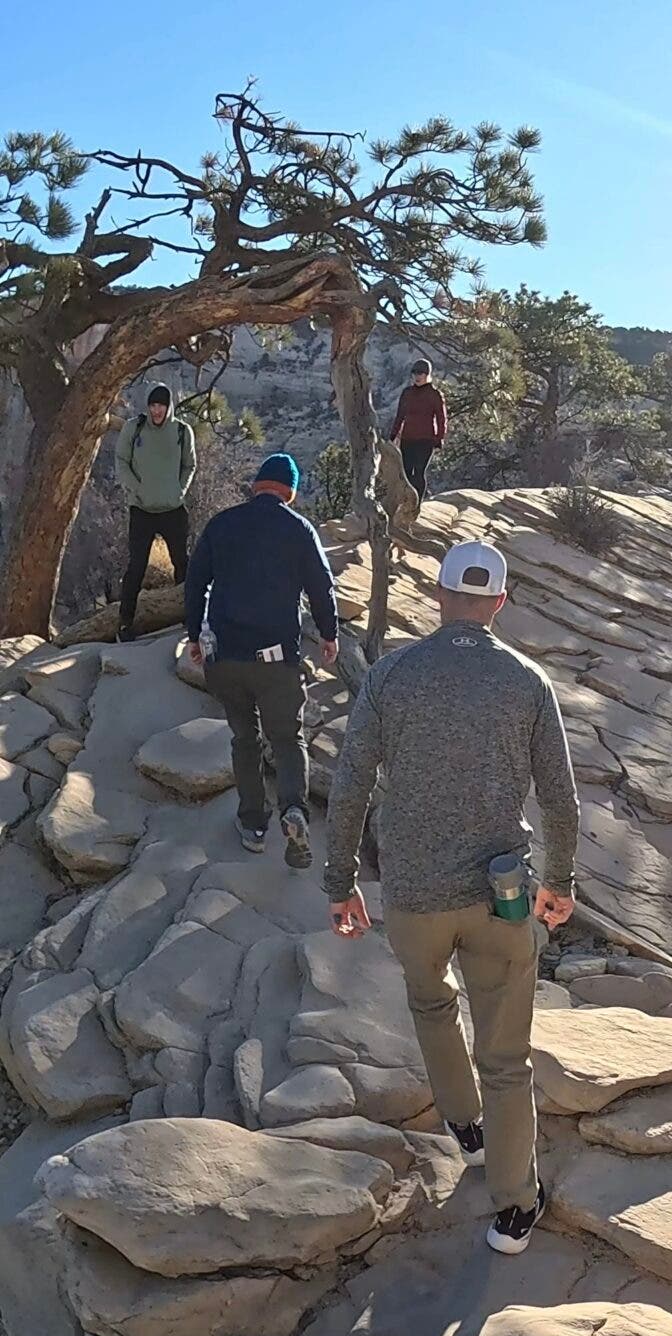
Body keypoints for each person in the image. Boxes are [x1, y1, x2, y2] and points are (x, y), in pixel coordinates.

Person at [323, 539, 578, 1255]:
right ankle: (514, 1209)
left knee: (430, 1001)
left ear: (438, 597)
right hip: (500, 896)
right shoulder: (527, 681)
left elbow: (349, 788)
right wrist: (559, 884)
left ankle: (463, 1125)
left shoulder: (390, 676)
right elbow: (560, 800)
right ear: (499, 603)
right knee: (508, 1058)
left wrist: (340, 884)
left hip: (413, 893)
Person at [183, 454, 339, 865]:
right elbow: (322, 588)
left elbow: (195, 583)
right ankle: (293, 811)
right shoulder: (299, 529)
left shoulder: (221, 525)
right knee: (288, 740)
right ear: (290, 491)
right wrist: (329, 633)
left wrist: (194, 635)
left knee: (244, 739)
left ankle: (253, 825)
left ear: (256, 486)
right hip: (277, 661)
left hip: (225, 658)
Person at [115, 383, 198, 642]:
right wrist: (134, 488)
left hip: (173, 509)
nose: (156, 410)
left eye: (161, 405)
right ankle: (125, 623)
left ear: (169, 407)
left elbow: (190, 465)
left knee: (182, 564)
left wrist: (180, 490)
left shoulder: (182, 432)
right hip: (142, 510)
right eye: (152, 405)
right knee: (136, 567)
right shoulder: (134, 428)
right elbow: (121, 460)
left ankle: (189, 616)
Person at [387, 359, 449, 500]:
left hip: (426, 440)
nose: (417, 376)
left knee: (419, 472)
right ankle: (407, 502)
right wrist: (393, 435)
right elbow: (400, 416)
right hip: (407, 439)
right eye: (414, 373)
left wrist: (439, 438)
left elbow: (441, 418)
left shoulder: (434, 394)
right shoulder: (407, 393)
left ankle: (417, 504)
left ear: (427, 374)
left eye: (420, 373)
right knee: (407, 472)